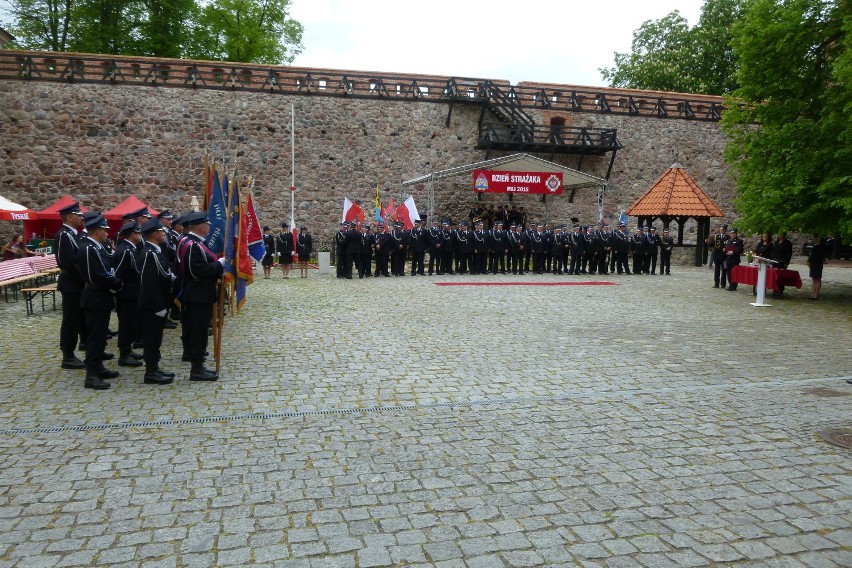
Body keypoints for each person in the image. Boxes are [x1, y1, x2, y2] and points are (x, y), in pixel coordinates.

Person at [77, 214, 123, 390]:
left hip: (101, 296)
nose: (107, 233)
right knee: (94, 337)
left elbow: (109, 266)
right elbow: (96, 274)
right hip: (95, 296)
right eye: (105, 230)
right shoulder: (88, 248)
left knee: (100, 334)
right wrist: (116, 283)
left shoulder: (99, 247)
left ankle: (98, 367)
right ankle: (91, 374)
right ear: (97, 231)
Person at [178, 211, 225, 381]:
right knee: (198, 332)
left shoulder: (192, 242)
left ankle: (197, 365)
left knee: (197, 330)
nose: (209, 227)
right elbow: (198, 271)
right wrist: (219, 265)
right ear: (201, 227)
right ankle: (197, 369)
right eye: (207, 225)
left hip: (199, 293)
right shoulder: (192, 245)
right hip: (198, 293)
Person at [138, 218, 176, 385]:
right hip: (151, 304)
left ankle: (155, 367)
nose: (163, 234)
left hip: (159, 301)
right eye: (161, 232)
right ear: (154, 234)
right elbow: (149, 282)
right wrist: (158, 305)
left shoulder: (156, 251)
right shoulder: (149, 253)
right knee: (152, 338)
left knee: (156, 337)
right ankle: (150, 371)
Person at [55, 202, 87, 370]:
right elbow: (68, 263)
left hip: (78, 284)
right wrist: (85, 278)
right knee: (71, 321)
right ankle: (68, 355)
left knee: (81, 319)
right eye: (78, 215)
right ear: (69, 217)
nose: (81, 217)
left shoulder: (74, 234)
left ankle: (85, 346)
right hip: (72, 285)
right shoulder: (64, 235)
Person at [113, 221, 144, 368]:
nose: (140, 235)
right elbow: (119, 274)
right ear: (132, 234)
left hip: (132, 292)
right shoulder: (125, 250)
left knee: (132, 324)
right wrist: (119, 290)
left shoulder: (130, 249)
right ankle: (124, 354)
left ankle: (128, 350)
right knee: (126, 324)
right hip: (127, 294)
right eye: (138, 232)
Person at [772, 232, 794, 296]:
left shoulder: (787, 243)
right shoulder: (776, 242)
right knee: (774, 275)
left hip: (782, 262)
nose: (779, 235)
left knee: (780, 276)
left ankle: (780, 289)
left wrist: (787, 263)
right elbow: (773, 251)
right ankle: (775, 289)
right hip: (775, 261)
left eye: (780, 234)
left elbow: (789, 253)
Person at [807, 236, 825, 300]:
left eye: (815, 238)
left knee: (817, 279)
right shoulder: (814, 246)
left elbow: (819, 256)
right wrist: (809, 261)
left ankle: (816, 294)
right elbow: (811, 255)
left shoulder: (821, 246)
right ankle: (813, 293)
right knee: (814, 279)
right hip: (813, 264)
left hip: (818, 264)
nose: (814, 239)